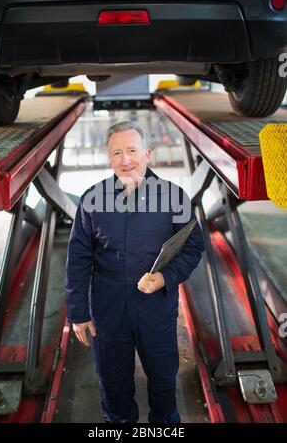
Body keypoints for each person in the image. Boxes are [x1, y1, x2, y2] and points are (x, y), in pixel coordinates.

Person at [65, 120, 205, 423]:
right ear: (108, 158)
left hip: (155, 308)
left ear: (148, 153)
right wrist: (78, 313)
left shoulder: (174, 197)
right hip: (108, 308)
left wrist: (166, 278)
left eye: (132, 150)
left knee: (163, 382)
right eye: (117, 153)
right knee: (113, 387)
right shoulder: (92, 199)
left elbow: (193, 247)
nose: (125, 160)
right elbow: (78, 257)